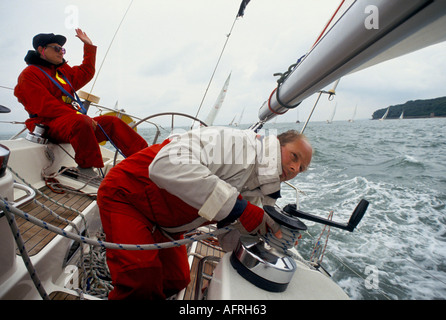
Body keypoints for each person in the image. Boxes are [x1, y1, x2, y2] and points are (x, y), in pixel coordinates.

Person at [97, 126, 313, 299]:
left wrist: (268, 242)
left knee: (176, 280)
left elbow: (230, 236)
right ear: (277, 144)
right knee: (141, 277)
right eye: (294, 156)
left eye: (301, 168)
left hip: (166, 224)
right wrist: (240, 209)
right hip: (127, 195)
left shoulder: (260, 192)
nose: (295, 168)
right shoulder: (236, 144)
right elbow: (164, 164)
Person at [14, 29, 148, 174]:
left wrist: (89, 46)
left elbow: (86, 72)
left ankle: (146, 158)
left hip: (71, 123)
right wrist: (78, 117)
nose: (61, 52)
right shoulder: (29, 74)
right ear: (41, 50)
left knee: (112, 122)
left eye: (63, 49)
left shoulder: (62, 72)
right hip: (48, 124)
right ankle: (86, 169)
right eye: (57, 48)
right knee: (82, 122)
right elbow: (44, 106)